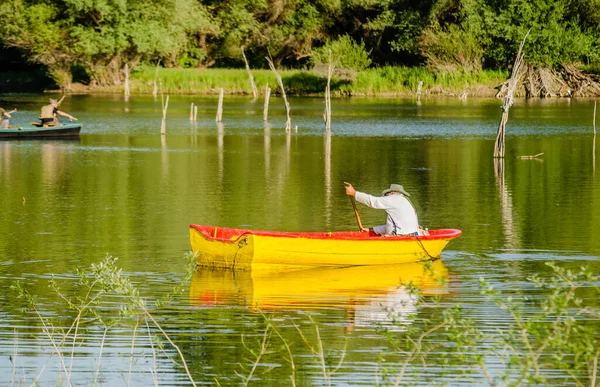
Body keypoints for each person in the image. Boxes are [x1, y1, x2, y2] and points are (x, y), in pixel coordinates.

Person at [345, 182, 420, 236]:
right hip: (413, 235)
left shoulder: (394, 199)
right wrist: (371, 230)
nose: (386, 196)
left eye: (387, 194)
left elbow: (374, 202)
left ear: (392, 192)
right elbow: (394, 226)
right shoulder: (405, 200)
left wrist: (355, 193)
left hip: (402, 236)